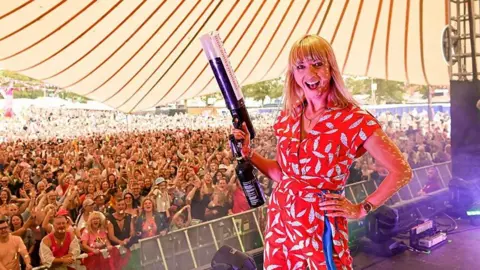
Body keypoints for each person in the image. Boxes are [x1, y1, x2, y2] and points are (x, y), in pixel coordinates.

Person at [232, 34, 413, 269]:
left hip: (320, 224)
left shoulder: (354, 119)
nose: (310, 73)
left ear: (331, 68)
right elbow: (282, 174)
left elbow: (401, 171)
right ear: (293, 75)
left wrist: (361, 208)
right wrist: (250, 154)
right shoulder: (288, 116)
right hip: (281, 221)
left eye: (317, 64)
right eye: (301, 67)